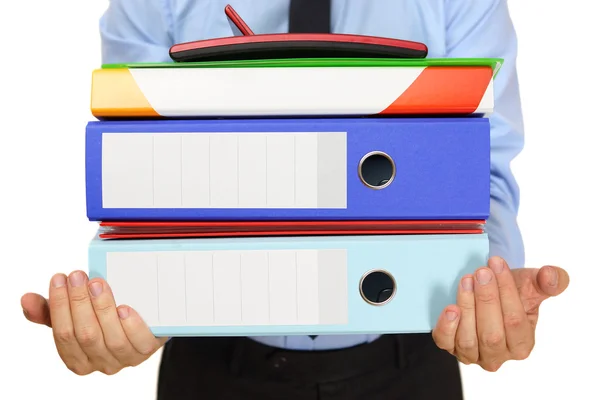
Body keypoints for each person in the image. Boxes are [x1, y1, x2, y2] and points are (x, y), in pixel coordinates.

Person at [21, 0, 570, 399]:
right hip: (211, 362)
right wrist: (130, 309)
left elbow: (484, 169)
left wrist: (488, 289)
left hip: (412, 356)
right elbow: (136, 182)